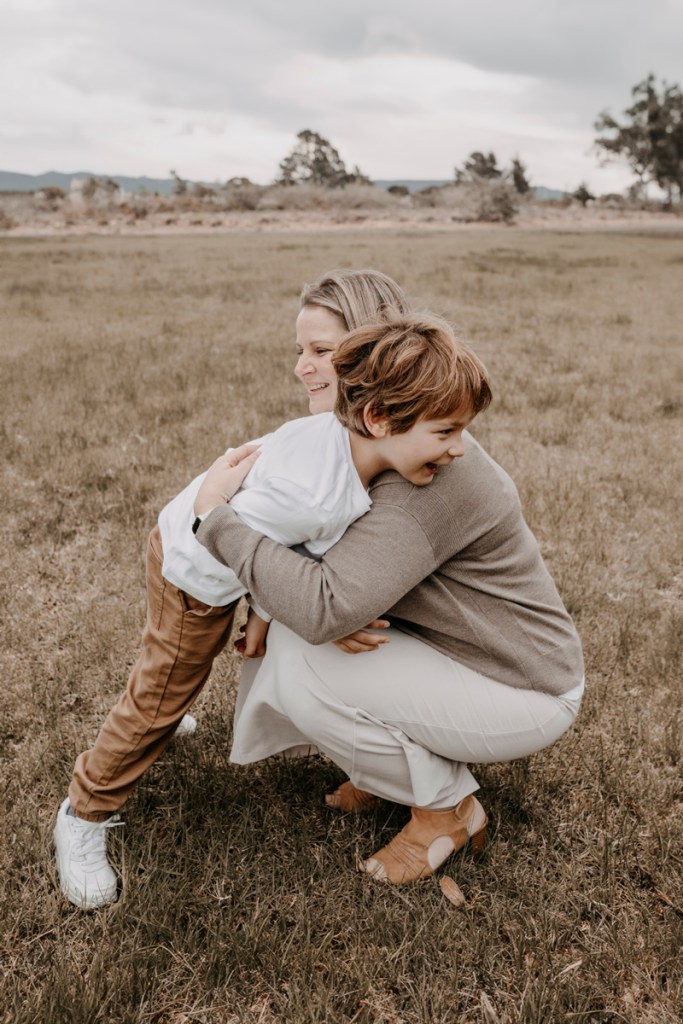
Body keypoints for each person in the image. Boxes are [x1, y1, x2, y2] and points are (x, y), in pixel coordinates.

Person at [52, 269, 466, 909]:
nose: (303, 367)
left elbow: (292, 551)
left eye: (321, 351)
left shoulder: (346, 443)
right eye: (302, 350)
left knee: (175, 672)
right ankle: (83, 813)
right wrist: (287, 614)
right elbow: (244, 543)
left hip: (211, 557)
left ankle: (165, 712)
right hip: (193, 572)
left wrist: (267, 613)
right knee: (162, 690)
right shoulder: (314, 484)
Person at [194, 321, 585, 885]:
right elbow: (318, 564)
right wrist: (275, 607)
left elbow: (323, 607)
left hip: (525, 687)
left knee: (303, 666)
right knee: (301, 637)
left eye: (326, 353)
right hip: (465, 653)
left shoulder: (427, 484)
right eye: (447, 430)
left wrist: (215, 519)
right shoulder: (385, 455)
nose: (459, 448)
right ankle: (388, 774)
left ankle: (446, 810)